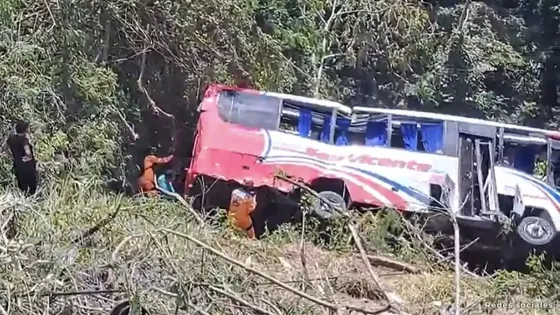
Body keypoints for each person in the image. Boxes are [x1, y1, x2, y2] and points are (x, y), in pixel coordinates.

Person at [2, 121, 38, 195]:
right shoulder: (24, 140)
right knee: (32, 187)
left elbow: (4, 147)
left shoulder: (11, 138)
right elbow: (28, 154)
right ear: (25, 129)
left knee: (22, 187)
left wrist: (11, 156)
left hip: (17, 165)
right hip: (28, 167)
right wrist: (28, 158)